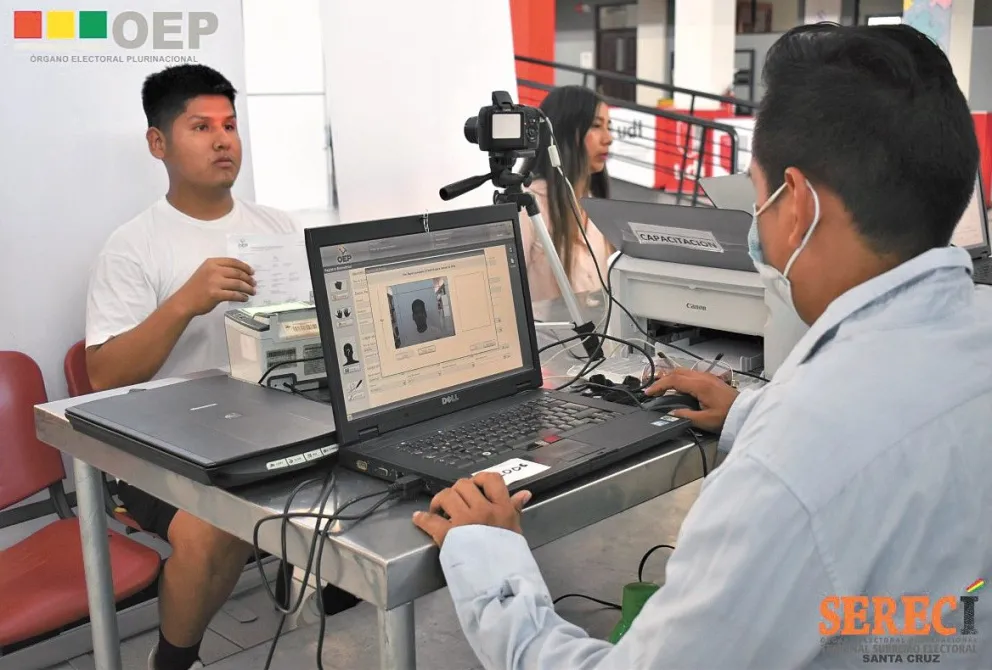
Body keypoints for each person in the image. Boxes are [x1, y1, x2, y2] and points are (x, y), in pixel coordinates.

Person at [411, 24, 992, 668]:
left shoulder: (795, 462)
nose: (759, 227)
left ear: (796, 204)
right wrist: (747, 411)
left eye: (758, 197)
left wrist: (489, 560)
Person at [84, 64, 357, 670]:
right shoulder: (133, 246)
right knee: (215, 527)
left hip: (276, 419)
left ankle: (318, 585)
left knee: (378, 470)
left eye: (230, 125)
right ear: (159, 144)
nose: (222, 139)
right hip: (164, 443)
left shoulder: (278, 228)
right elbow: (103, 376)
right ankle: (174, 660)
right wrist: (185, 301)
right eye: (201, 126)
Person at [518, 86, 613, 302]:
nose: (608, 138)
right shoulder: (528, 204)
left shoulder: (598, 206)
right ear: (565, 131)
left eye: (609, 126)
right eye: (597, 126)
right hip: (550, 335)